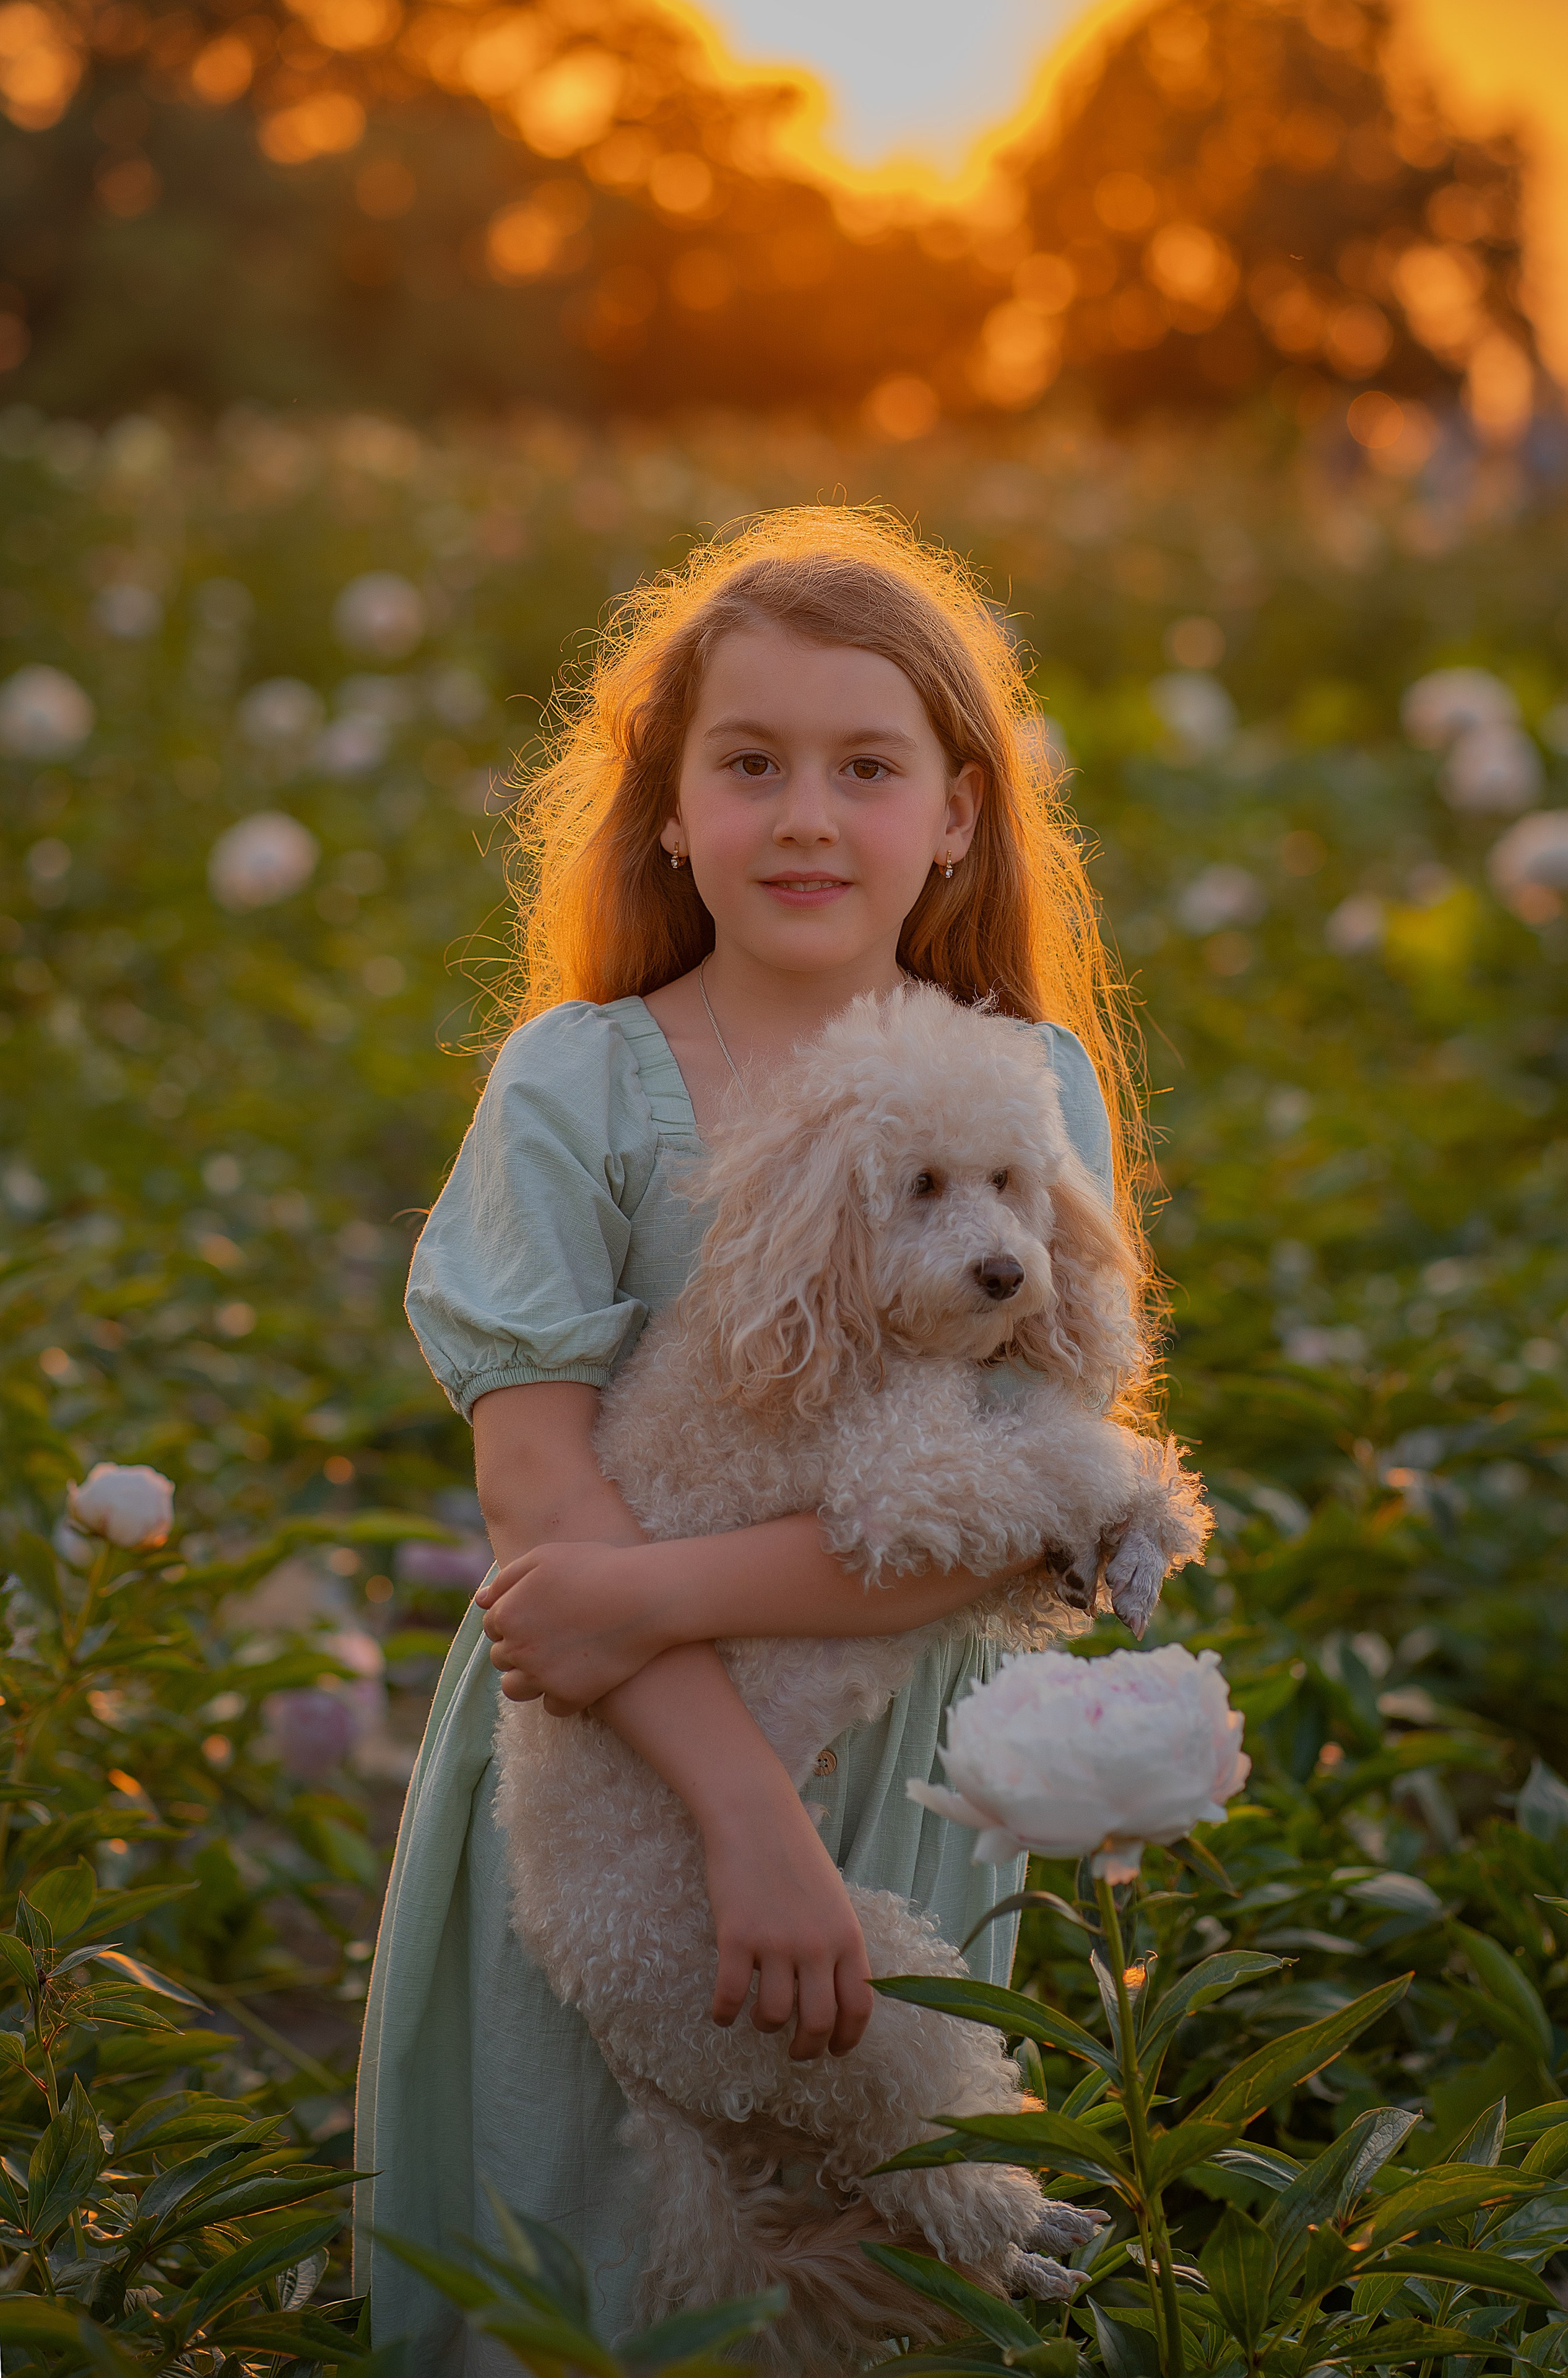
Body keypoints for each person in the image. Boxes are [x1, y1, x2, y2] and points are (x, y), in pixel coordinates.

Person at [353, 508, 1156, 2370]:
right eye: (751, 763)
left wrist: (645, 1597)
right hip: (631, 1772)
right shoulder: (582, 1078)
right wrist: (746, 1819)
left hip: (900, 1765)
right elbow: (542, 1499)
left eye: (865, 767)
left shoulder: (1027, 1086)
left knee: (870, 2265)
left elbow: (1033, 1496)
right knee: (596, 2263)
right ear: (667, 806)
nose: (806, 814)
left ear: (956, 811)